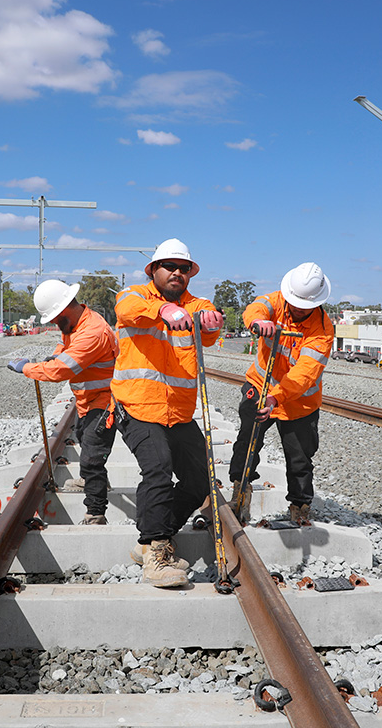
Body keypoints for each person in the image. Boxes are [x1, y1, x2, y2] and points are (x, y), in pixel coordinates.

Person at [113, 238, 224, 587]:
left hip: (177, 411)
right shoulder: (133, 296)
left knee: (199, 478)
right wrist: (162, 311)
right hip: (138, 405)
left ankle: (146, 541)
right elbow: (126, 310)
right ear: (153, 271)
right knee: (158, 469)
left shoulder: (196, 304)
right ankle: (158, 556)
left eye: (184, 268)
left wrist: (210, 320)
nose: (177, 273)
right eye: (169, 267)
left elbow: (209, 328)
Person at [230, 262, 334, 526]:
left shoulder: (323, 331)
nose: (298, 308)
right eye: (295, 302)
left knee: (300, 458)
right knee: (247, 443)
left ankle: (300, 507)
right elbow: (256, 307)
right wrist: (257, 321)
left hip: (298, 402)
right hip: (259, 386)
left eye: (305, 305)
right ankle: (240, 494)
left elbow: (304, 374)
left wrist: (276, 397)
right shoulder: (275, 302)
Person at [7, 280, 119, 525]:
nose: (57, 325)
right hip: (87, 400)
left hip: (104, 401)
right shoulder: (75, 324)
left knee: (91, 455)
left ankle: (96, 513)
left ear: (65, 309)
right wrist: (56, 354)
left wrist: (27, 368)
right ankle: (93, 480)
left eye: (56, 319)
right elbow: (65, 346)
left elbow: (62, 370)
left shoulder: (93, 331)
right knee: (84, 439)